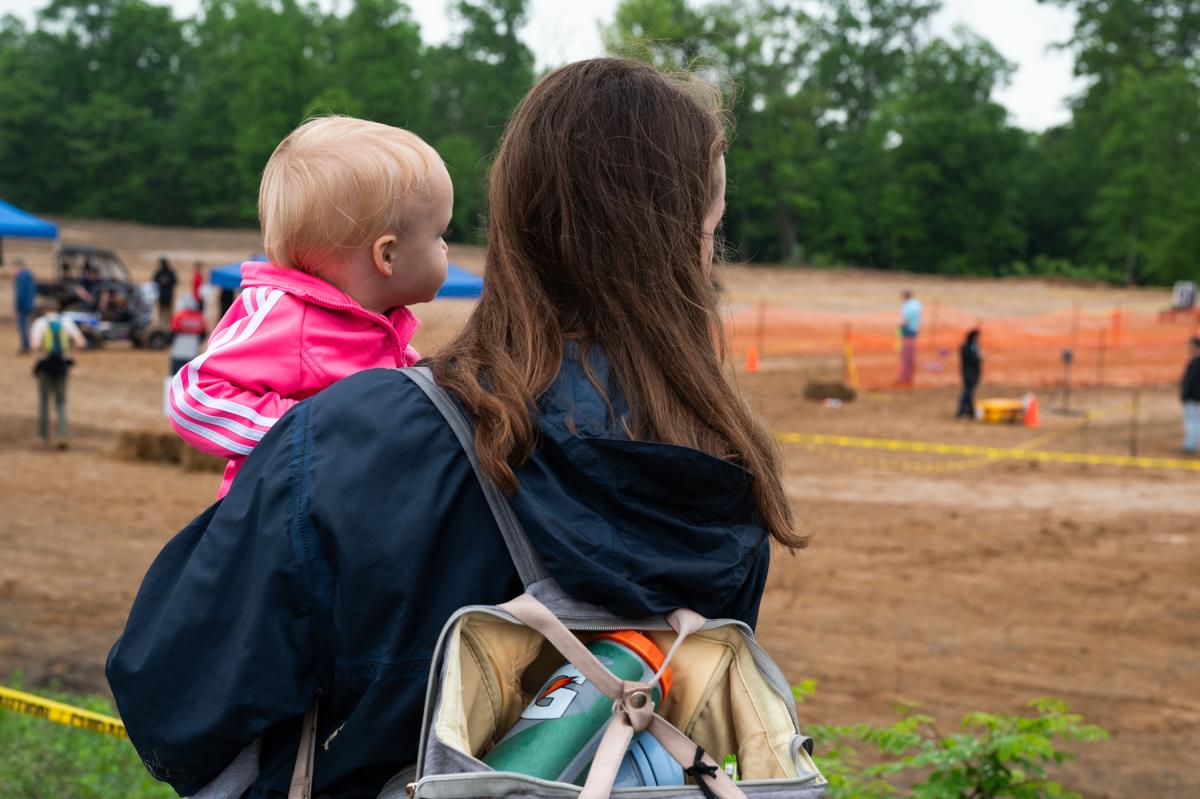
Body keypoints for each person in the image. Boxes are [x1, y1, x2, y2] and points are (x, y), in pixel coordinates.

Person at [107, 59, 804, 798]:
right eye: (710, 233)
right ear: (686, 249)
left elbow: (176, 704)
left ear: (513, 220)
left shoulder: (358, 434)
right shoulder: (722, 474)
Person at [166, 116, 448, 497]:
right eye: (440, 233)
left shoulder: (380, 331)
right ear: (387, 255)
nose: (445, 247)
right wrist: (305, 433)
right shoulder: (291, 318)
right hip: (281, 525)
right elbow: (194, 396)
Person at [29, 299, 86, 449]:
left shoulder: (40, 323)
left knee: (44, 401)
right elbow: (81, 342)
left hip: (45, 364)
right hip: (62, 365)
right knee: (61, 402)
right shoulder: (66, 321)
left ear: (43, 310)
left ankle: (44, 436)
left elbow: (34, 345)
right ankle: (62, 434)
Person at [168, 294, 206, 375]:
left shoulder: (179, 316)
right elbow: (203, 333)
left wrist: (171, 343)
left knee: (174, 372)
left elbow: (173, 332)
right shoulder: (199, 317)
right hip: (192, 349)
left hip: (178, 348)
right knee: (189, 373)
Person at [897, 289, 921, 385]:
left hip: (908, 330)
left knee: (906, 354)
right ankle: (908, 375)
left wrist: (899, 328)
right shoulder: (916, 304)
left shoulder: (909, 305)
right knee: (909, 354)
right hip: (913, 330)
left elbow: (905, 320)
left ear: (906, 296)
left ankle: (905, 375)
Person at [957, 328, 982, 419]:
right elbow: (971, 360)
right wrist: (979, 358)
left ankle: (970, 411)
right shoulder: (970, 347)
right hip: (970, 372)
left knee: (970, 391)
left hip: (969, 371)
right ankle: (961, 411)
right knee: (968, 391)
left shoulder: (970, 346)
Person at [1181, 336, 1200, 454]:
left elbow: (1192, 381)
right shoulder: (1195, 361)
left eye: (1191, 346)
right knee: (1192, 421)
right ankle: (1190, 444)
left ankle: (1191, 445)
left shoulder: (1197, 361)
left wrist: (1187, 394)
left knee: (1192, 422)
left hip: (1193, 397)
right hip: (1192, 396)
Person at [13, 259, 36, 353]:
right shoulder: (30, 275)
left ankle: (25, 346)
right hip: (29, 304)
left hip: (23, 305)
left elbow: (20, 293)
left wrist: (17, 306)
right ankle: (28, 345)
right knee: (28, 325)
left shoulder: (21, 276)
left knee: (23, 326)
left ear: (19, 266)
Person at [152, 256, 177, 322]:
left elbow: (175, 281)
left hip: (168, 293)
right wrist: (160, 281)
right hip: (161, 293)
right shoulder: (158, 272)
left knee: (168, 307)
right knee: (161, 307)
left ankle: (169, 320)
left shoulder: (170, 272)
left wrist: (167, 281)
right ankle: (161, 320)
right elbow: (154, 281)